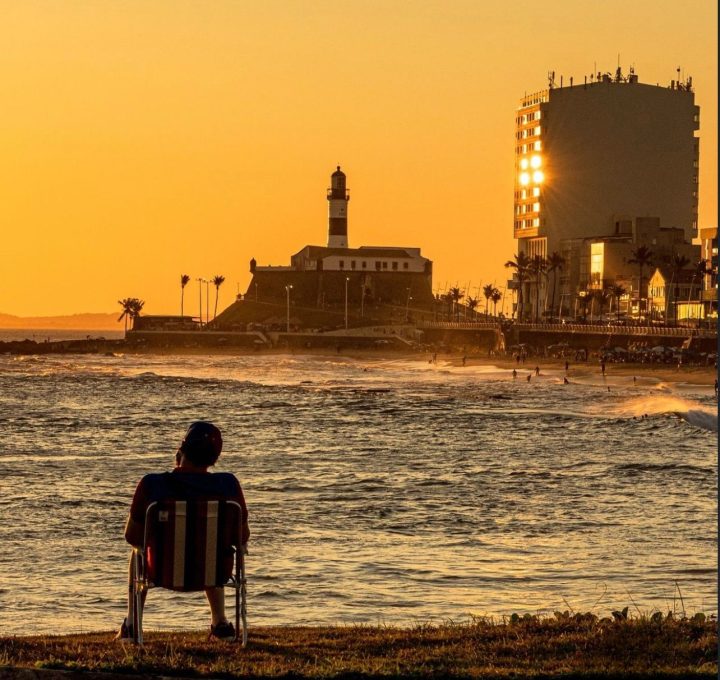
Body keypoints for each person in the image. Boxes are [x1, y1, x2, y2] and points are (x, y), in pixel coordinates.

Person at [116, 421, 250, 642]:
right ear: (214, 458)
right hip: (214, 574)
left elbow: (131, 536)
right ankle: (220, 625)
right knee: (214, 547)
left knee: (136, 550)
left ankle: (132, 624)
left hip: (162, 572)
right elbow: (241, 537)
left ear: (181, 451)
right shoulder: (228, 485)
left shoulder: (152, 485)